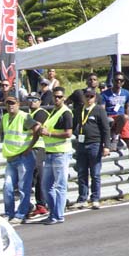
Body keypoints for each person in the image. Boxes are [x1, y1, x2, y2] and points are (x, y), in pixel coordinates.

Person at [0, 96, 41, 224]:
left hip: (23, 157)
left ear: (18, 104)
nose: (10, 106)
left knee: (23, 188)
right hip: (11, 157)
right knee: (7, 187)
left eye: (12, 103)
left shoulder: (24, 117)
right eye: (7, 103)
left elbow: (37, 128)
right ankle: (9, 212)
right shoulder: (6, 118)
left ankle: (21, 213)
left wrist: (30, 147)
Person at [39, 86, 75, 225]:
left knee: (60, 185)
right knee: (46, 185)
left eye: (60, 96)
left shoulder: (66, 113)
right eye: (55, 96)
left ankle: (58, 215)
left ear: (64, 97)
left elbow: (68, 133)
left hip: (61, 153)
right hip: (49, 152)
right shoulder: (54, 111)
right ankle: (54, 212)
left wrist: (49, 133)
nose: (57, 99)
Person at [72, 88, 110, 209]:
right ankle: (82, 198)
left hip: (95, 143)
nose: (89, 99)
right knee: (82, 172)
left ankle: (95, 198)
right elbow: (74, 125)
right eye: (87, 96)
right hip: (82, 144)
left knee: (95, 173)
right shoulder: (79, 110)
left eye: (91, 96)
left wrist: (106, 146)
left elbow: (105, 129)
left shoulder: (99, 110)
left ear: (95, 98)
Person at [101, 72, 129, 182]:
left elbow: (127, 107)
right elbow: (103, 110)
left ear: (123, 82)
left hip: (123, 119)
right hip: (111, 118)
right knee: (122, 117)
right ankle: (115, 137)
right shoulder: (105, 94)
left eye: (120, 81)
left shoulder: (126, 93)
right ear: (112, 81)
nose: (118, 82)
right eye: (116, 80)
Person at [25, 96, 50, 221]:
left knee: (38, 175)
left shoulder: (41, 113)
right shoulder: (29, 113)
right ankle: (36, 204)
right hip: (30, 146)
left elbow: (36, 128)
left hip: (39, 146)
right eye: (29, 99)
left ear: (40, 102)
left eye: (35, 100)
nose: (32, 102)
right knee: (32, 176)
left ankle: (41, 204)